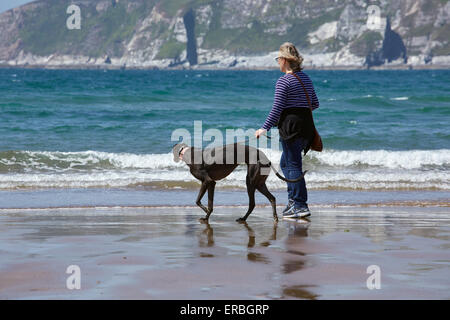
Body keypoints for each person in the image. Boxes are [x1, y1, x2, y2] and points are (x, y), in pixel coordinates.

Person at [255, 42, 319, 219]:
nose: (277, 63)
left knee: (293, 165)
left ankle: (299, 205)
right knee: (286, 164)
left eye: (278, 59)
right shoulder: (305, 78)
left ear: (284, 60)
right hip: (306, 127)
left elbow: (277, 109)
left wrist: (263, 128)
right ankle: (293, 202)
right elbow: (315, 103)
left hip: (291, 128)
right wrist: (299, 111)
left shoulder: (284, 81)